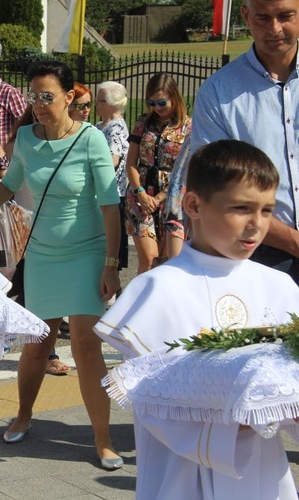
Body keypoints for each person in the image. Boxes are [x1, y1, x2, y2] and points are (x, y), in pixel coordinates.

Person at [95, 139, 299, 499]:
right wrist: (233, 422)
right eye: (241, 208)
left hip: (263, 470)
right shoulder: (158, 289)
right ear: (193, 204)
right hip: (181, 472)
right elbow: (151, 398)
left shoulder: (279, 286)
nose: (256, 224)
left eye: (267, 211)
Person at [0, 61, 122, 469]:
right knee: (37, 341)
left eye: (47, 96)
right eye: (33, 96)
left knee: (86, 346)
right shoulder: (25, 137)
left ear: (70, 96)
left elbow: (110, 205)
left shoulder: (91, 139)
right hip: (41, 253)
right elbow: (8, 186)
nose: (38, 105)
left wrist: (111, 264)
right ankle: (23, 414)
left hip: (88, 252)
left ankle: (103, 438)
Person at [188, 0, 299, 285]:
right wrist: (292, 241)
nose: (274, 28)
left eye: (285, 16)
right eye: (263, 18)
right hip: (261, 255)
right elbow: (217, 187)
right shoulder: (219, 93)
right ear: (246, 16)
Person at [124, 73, 191, 274]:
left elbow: (188, 168)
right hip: (140, 196)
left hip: (172, 198)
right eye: (151, 102)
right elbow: (131, 163)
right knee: (149, 260)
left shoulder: (188, 126)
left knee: (166, 262)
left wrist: (162, 196)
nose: (157, 108)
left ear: (174, 97)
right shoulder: (143, 122)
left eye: (162, 102)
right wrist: (141, 193)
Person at [95, 81, 130, 275]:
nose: (96, 105)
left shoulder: (115, 127)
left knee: (109, 241)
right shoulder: (102, 125)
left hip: (112, 191)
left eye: (100, 100)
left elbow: (113, 159)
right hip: (102, 192)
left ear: (112, 104)